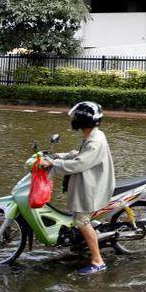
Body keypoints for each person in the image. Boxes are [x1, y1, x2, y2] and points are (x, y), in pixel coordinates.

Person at [40, 101, 115, 275]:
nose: (73, 120)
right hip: (92, 180)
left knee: (81, 221)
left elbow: (79, 164)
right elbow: (80, 155)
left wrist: (53, 164)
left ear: (82, 120)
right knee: (79, 219)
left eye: (76, 117)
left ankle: (98, 261)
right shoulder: (94, 134)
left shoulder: (94, 141)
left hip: (93, 186)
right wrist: (56, 156)